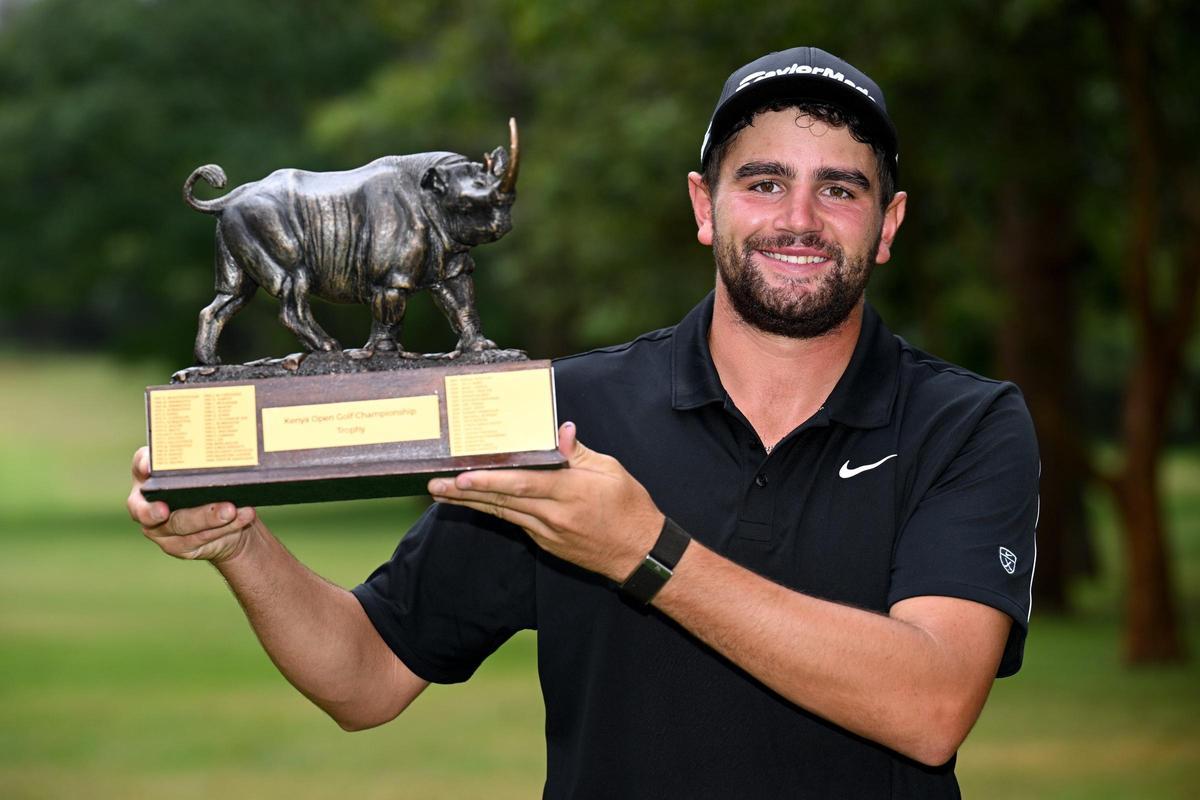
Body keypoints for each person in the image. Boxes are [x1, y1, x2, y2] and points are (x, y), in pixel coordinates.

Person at [128, 46, 1038, 798]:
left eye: (839, 190)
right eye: (762, 182)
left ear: (888, 223)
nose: (797, 219)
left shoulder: (967, 424)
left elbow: (930, 707)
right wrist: (240, 547)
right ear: (702, 207)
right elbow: (363, 675)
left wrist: (644, 550)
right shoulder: (565, 413)